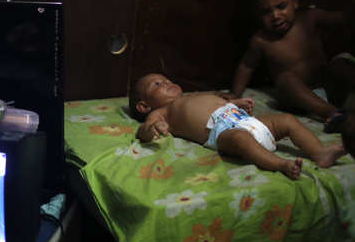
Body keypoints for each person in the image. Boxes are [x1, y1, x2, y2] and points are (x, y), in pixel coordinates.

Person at [130, 73, 346, 180]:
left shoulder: (192, 96)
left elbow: (216, 105)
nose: (166, 82)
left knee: (288, 120)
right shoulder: (162, 112)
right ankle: (280, 164)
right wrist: (150, 130)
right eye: (157, 84)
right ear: (143, 105)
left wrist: (234, 104)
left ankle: (319, 152)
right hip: (222, 133)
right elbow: (145, 131)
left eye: (166, 79)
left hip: (244, 120)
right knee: (241, 139)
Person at [222, 0, 355, 130]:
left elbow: (343, 20)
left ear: (295, 1)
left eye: (281, 6)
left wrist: (352, 1)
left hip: (326, 86)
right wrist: (235, 94)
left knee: (341, 62)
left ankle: (347, 105)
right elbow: (246, 66)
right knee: (285, 79)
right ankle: (334, 114)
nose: (276, 15)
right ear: (256, 15)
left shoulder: (310, 17)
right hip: (297, 99)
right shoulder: (261, 40)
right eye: (266, 12)